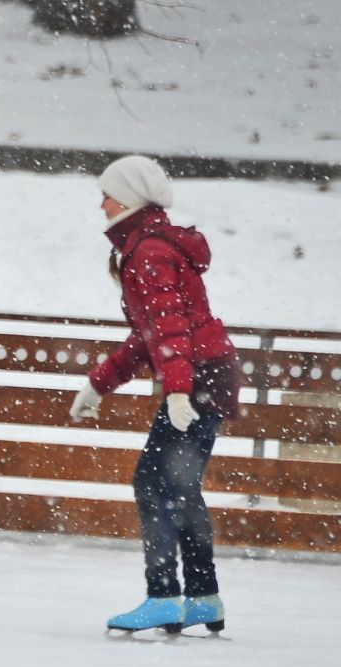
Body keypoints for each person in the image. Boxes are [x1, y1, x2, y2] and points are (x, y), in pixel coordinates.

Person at [69, 155, 240, 636]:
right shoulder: (147, 245)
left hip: (200, 378)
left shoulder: (148, 251)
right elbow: (150, 336)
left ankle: (165, 596)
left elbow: (170, 329)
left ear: (127, 199)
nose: (101, 204)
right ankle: (203, 597)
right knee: (177, 485)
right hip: (209, 374)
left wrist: (179, 391)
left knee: (153, 482)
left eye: (106, 194)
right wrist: (98, 383)